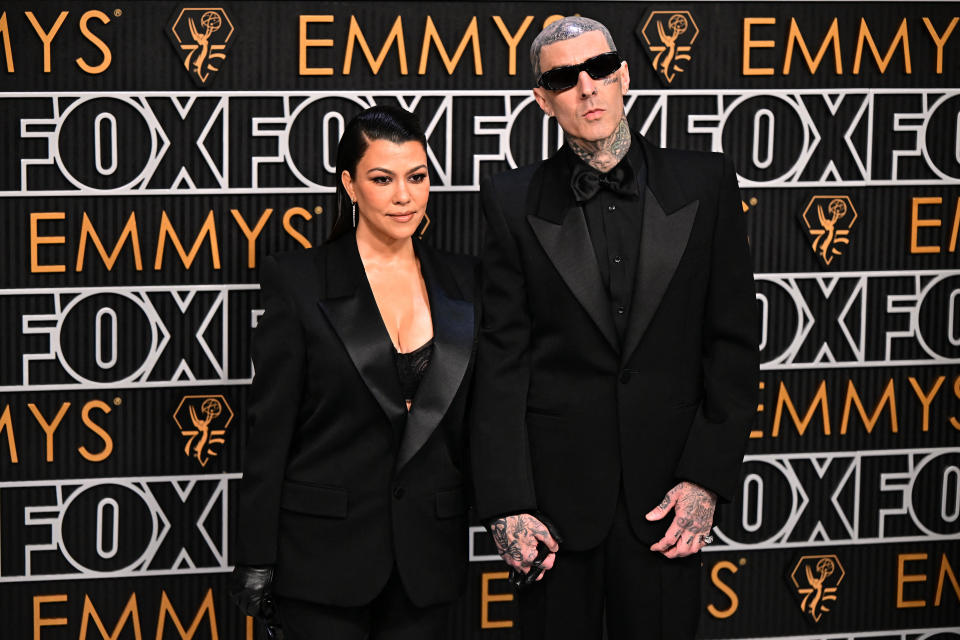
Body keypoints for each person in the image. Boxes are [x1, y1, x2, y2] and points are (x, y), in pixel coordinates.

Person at [470, 16, 759, 640]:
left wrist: (705, 478)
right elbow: (501, 363)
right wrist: (506, 504)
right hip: (552, 509)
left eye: (599, 69)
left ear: (623, 75)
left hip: (667, 501)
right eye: (564, 78)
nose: (587, 88)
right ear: (541, 98)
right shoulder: (509, 199)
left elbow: (732, 345)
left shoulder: (705, 182)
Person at [230, 105, 478, 640]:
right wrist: (256, 556)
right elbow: (269, 433)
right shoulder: (299, 281)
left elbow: (484, 420)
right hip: (321, 560)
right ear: (349, 184)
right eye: (382, 179)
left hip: (427, 562)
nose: (403, 196)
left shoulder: (466, 283)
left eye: (417, 177)